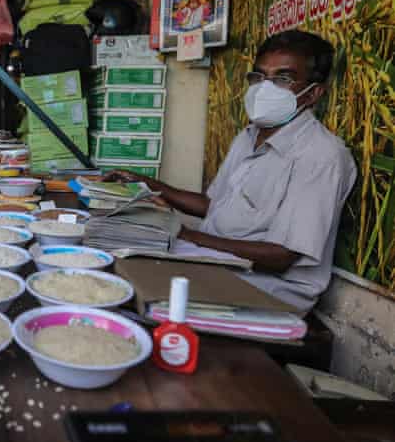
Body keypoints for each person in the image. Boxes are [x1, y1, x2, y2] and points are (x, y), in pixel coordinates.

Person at [106, 30, 357, 312]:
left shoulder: (321, 155)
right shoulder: (249, 137)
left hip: (266, 289)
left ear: (312, 94)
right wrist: (147, 184)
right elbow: (214, 205)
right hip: (214, 260)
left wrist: (183, 235)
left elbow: (281, 256)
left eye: (282, 79)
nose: (265, 88)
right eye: (259, 77)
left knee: (127, 289)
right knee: (112, 258)